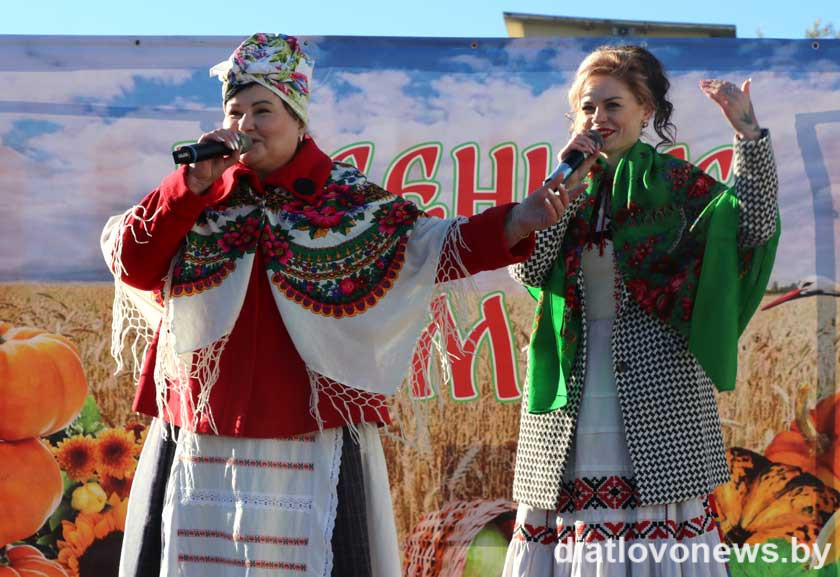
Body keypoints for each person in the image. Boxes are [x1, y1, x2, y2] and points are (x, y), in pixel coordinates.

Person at [101, 33, 577, 577]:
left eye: (264, 110)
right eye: (235, 111)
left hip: (314, 433)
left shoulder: (348, 199)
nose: (246, 124)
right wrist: (186, 191)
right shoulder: (198, 196)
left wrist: (515, 223)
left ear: (300, 120)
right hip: (199, 434)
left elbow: (428, 248)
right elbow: (134, 264)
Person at [503, 44, 779, 576]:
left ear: (645, 110)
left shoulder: (676, 190)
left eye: (613, 105)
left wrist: (749, 138)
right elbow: (528, 269)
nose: (598, 118)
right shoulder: (564, 187)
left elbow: (753, 228)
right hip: (569, 400)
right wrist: (563, 187)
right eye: (588, 108)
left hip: (659, 399)